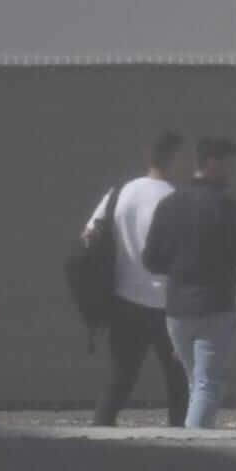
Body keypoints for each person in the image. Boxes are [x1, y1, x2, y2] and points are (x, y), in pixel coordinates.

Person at [142, 137, 236, 429]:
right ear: (213, 163)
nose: (231, 172)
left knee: (196, 382)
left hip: (177, 311)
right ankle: (192, 447)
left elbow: (150, 259)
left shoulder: (169, 204)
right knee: (208, 383)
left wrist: (179, 268)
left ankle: (191, 438)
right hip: (215, 308)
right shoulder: (226, 207)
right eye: (228, 165)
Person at [86, 131, 189, 427]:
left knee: (119, 376)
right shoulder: (176, 199)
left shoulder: (120, 193)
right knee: (178, 380)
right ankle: (182, 442)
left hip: (125, 299)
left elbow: (89, 235)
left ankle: (100, 432)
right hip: (169, 304)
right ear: (175, 158)